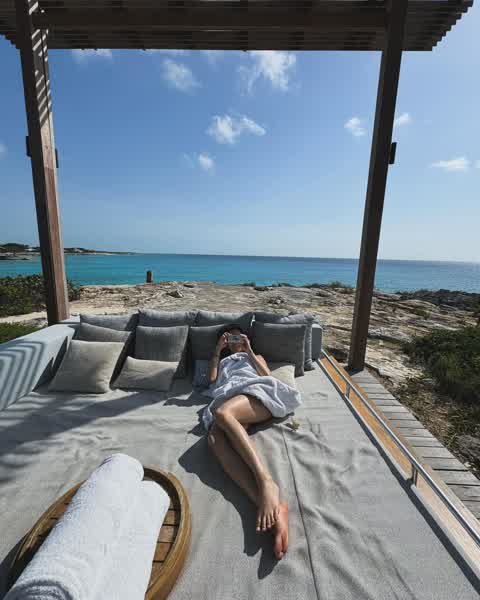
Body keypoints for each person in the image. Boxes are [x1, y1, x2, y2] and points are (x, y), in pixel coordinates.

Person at [204, 324, 301, 560]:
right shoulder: (222, 361)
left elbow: (267, 376)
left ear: (246, 339)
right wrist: (217, 351)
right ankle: (272, 509)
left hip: (256, 392)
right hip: (229, 397)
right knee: (214, 439)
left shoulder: (254, 355)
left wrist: (249, 351)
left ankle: (267, 482)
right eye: (230, 338)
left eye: (238, 337)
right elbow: (212, 382)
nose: (235, 340)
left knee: (223, 413)